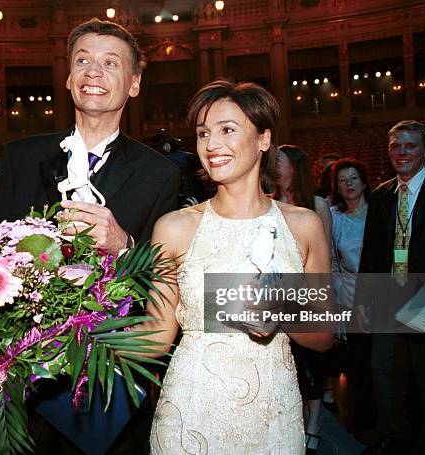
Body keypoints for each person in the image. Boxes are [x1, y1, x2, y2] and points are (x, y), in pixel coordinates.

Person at [134, 80, 332, 454]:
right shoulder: (174, 228)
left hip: (274, 417)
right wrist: (82, 341)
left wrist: (281, 312)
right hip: (191, 412)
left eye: (227, 130)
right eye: (203, 133)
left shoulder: (304, 226)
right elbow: (158, 334)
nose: (211, 145)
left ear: (262, 140)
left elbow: (323, 336)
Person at [0, 18, 180, 253]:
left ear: (134, 83)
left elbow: (163, 277)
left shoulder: (159, 174)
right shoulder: (20, 158)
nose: (93, 71)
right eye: (82, 60)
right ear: (69, 78)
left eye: (110, 63)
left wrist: (124, 246)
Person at [356, 120, 425, 455]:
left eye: (410, 146)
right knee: (385, 373)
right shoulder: (382, 195)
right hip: (387, 295)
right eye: (396, 146)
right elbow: (370, 254)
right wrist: (363, 302)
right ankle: (395, 437)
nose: (402, 152)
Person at [274, 144, 333, 453]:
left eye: (279, 162)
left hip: (307, 294)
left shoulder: (317, 206)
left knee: (313, 366)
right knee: (293, 366)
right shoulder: (267, 205)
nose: (273, 166)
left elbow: (326, 261)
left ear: (293, 167)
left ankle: (314, 426)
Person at [329, 157, 374, 432]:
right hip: (348, 296)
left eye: (353, 178)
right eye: (342, 180)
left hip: (380, 294)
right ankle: (362, 420)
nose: (348, 184)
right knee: (357, 363)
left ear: (364, 181)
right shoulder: (334, 217)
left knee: (382, 362)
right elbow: (333, 261)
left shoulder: (380, 211)